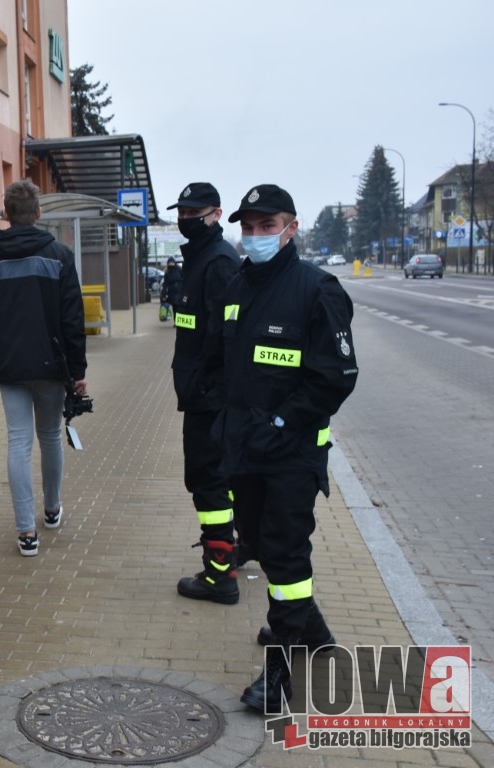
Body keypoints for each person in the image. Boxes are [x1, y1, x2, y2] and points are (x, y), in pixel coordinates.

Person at [207, 184, 357, 713]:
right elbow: (227, 367)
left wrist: (280, 420)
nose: (255, 236)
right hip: (245, 450)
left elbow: (335, 378)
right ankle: (310, 632)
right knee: (263, 547)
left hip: (292, 453)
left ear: (291, 228)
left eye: (266, 226)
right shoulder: (237, 285)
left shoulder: (318, 290)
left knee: (288, 556)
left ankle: (279, 679)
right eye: (247, 227)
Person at [0, 179, 87, 558]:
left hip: (7, 365)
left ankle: (26, 532)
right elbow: (72, 320)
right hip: (52, 365)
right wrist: (77, 371)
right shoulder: (60, 256)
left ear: (5, 212)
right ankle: (51, 511)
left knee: (18, 440)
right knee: (49, 435)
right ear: (38, 213)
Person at [164, 183, 243, 605]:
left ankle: (219, 576)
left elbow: (228, 339)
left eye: (196, 212)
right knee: (219, 480)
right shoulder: (200, 260)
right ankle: (233, 550)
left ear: (216, 214)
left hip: (211, 399)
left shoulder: (218, 264)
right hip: (201, 394)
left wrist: (210, 387)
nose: (187, 218)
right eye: (184, 211)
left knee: (207, 481)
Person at [159, 257, 183, 321]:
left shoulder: (179, 270)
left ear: (174, 263)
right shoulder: (167, 273)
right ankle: (176, 321)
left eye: (172, 262)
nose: (171, 264)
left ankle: (179, 321)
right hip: (172, 293)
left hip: (179, 291)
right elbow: (165, 284)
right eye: (170, 263)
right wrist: (163, 294)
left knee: (179, 307)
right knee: (175, 307)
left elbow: (184, 279)